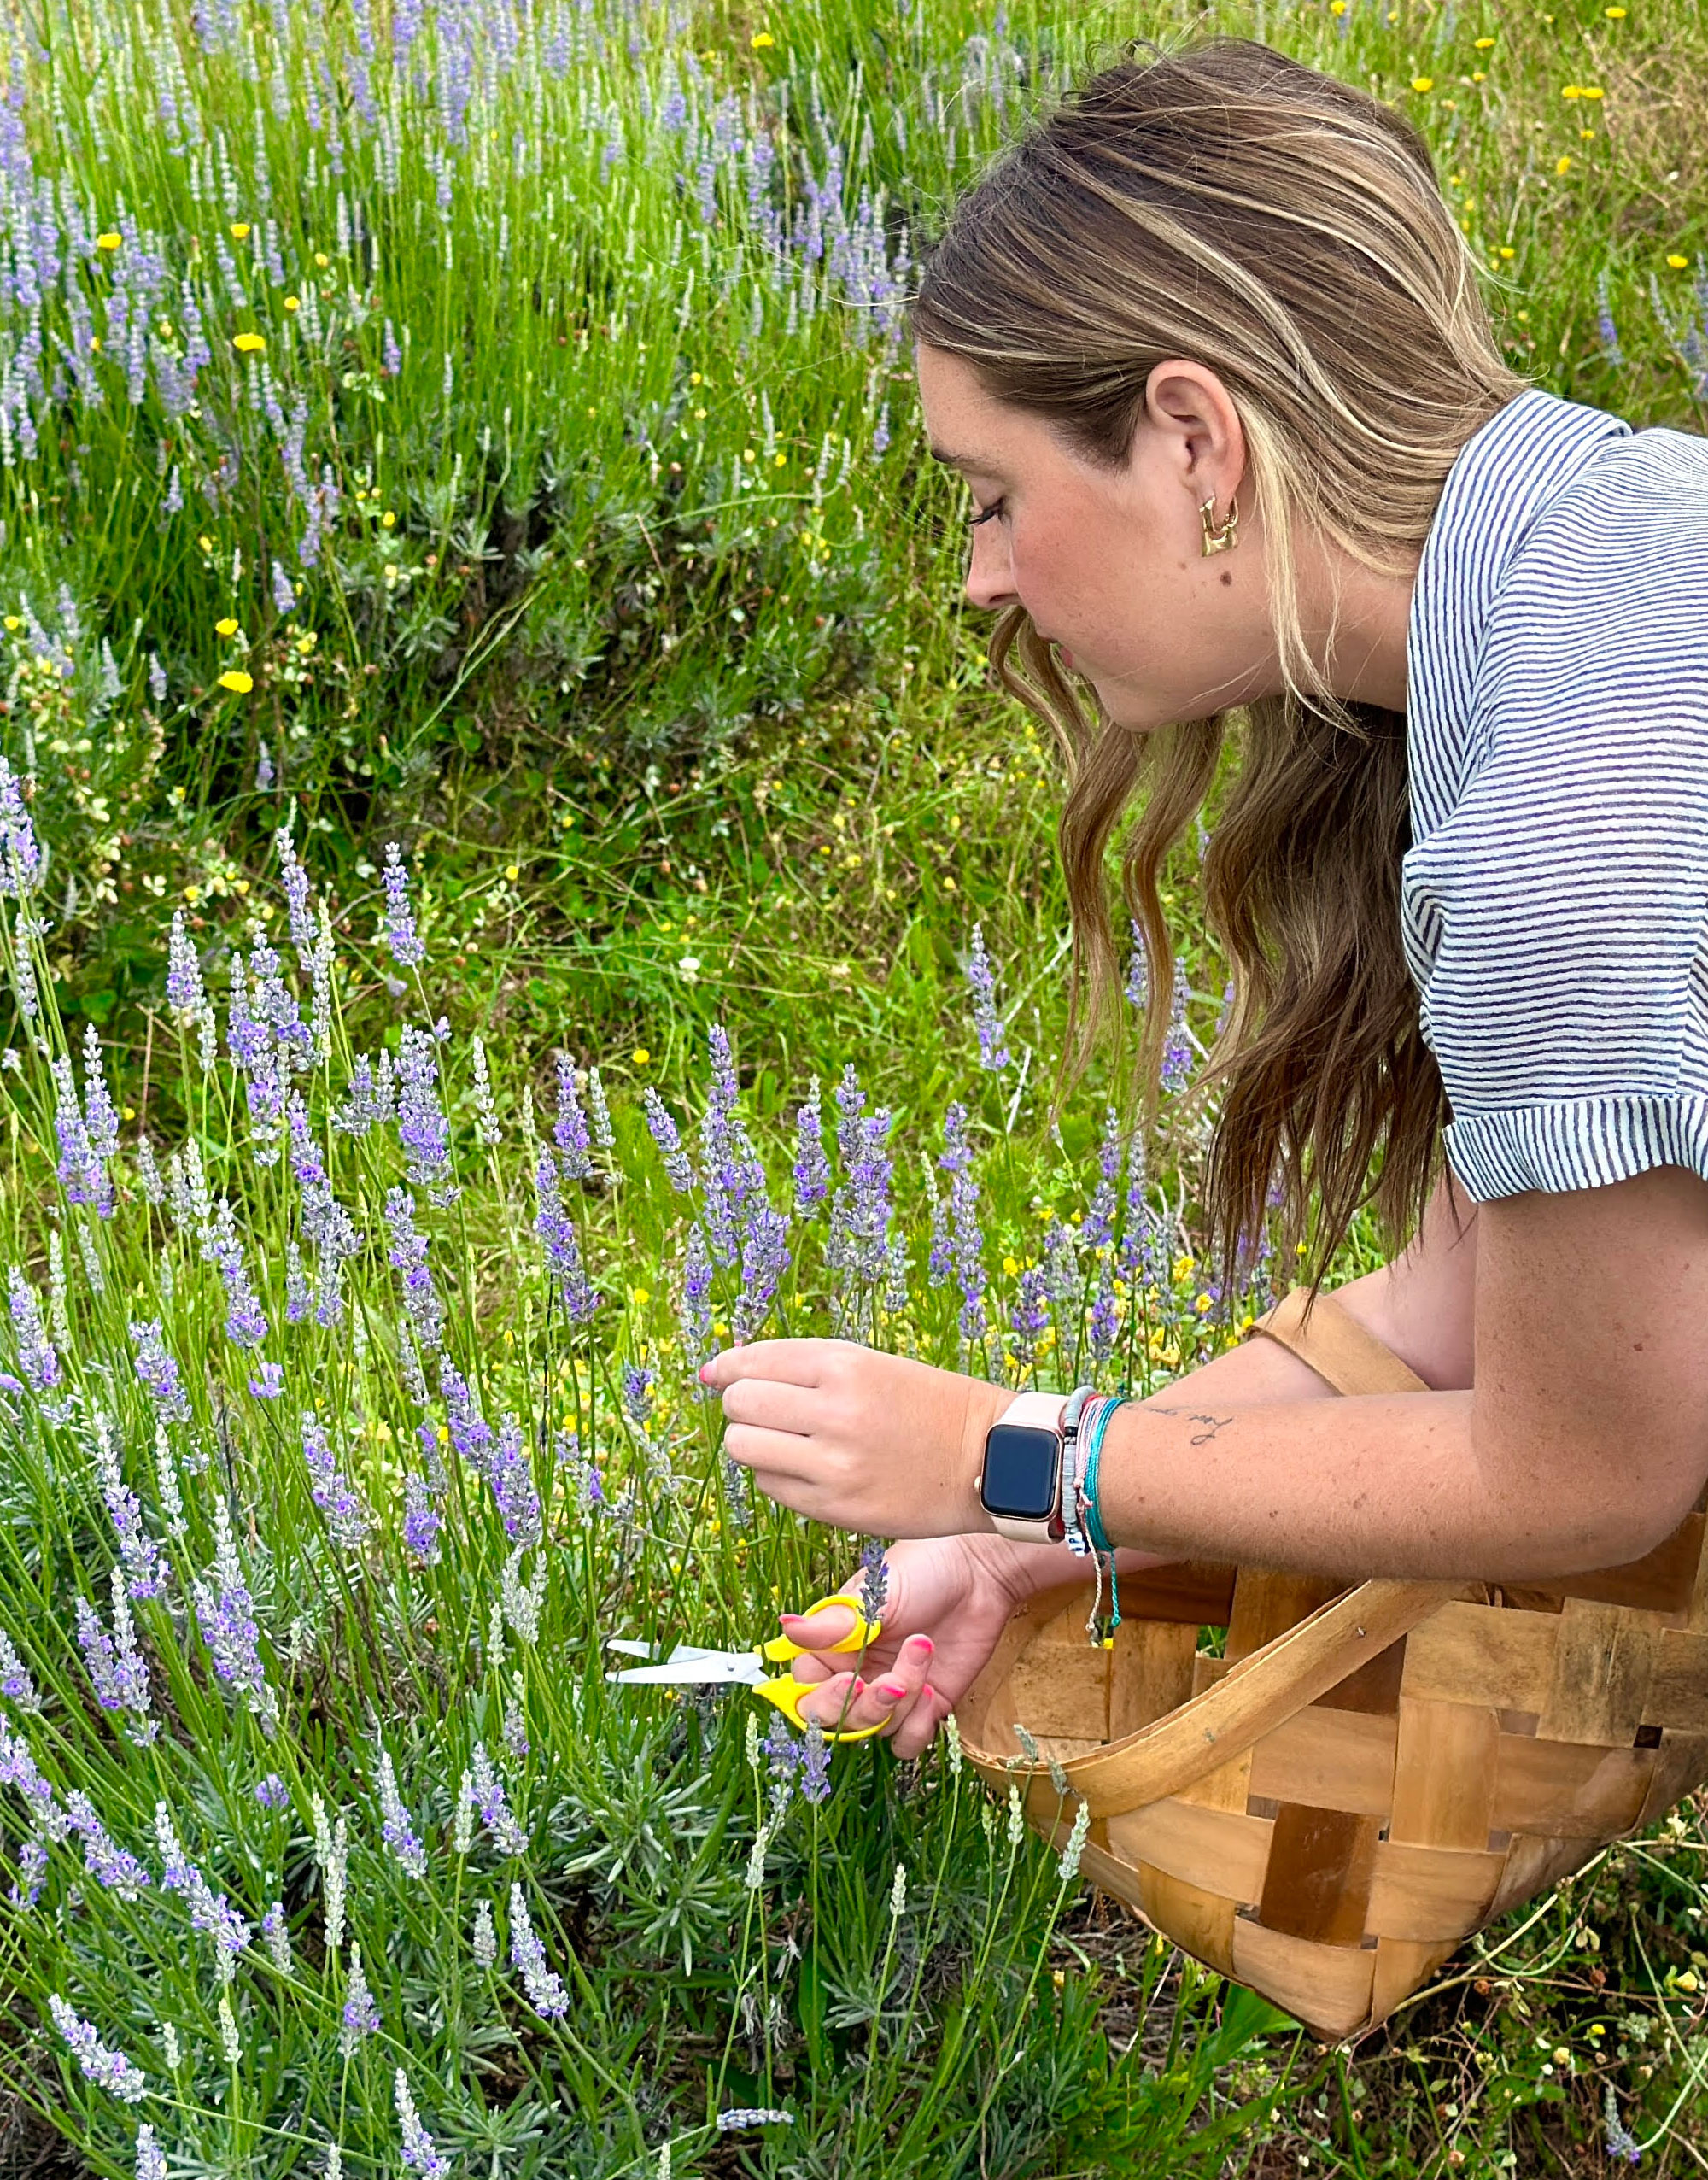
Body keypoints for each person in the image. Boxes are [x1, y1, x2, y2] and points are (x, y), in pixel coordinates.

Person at [698, 36, 1708, 1757]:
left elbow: (1581, 1471)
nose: (980, 578)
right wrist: (1015, 1531)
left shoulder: (1561, 836)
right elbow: (1452, 1314)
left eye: (996, 497)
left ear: (1191, 438)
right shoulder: (1620, 536)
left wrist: (1002, 1446)